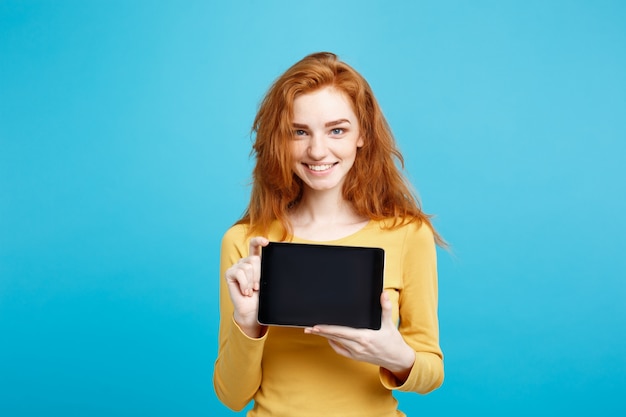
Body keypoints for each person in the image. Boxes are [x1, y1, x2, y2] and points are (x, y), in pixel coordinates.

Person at [213, 52, 444, 417]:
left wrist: (394, 356)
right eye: (299, 132)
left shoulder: (408, 235)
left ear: (362, 135)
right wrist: (248, 323)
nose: (317, 150)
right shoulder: (245, 242)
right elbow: (231, 396)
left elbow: (431, 373)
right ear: (280, 139)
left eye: (337, 130)